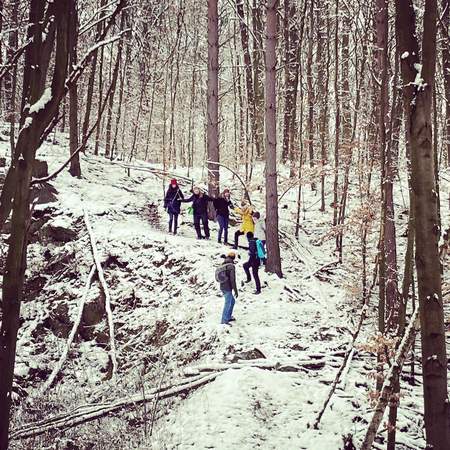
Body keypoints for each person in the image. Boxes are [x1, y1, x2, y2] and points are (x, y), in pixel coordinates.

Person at [215, 251, 239, 325]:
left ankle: (228, 317)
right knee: (228, 303)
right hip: (227, 287)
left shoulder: (224, 264)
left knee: (232, 301)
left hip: (223, 285)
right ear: (233, 258)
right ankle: (224, 320)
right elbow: (232, 279)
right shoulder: (231, 266)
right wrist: (235, 290)